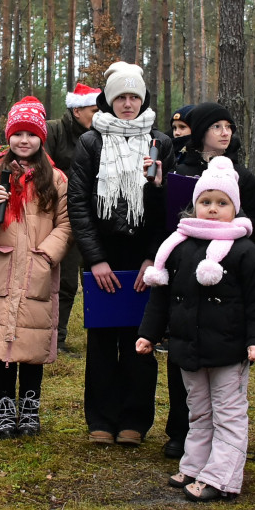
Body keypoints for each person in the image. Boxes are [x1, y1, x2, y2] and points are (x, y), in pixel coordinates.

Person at [136, 158, 255, 501]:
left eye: (222, 203)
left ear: (235, 207)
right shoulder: (179, 247)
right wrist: (148, 333)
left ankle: (222, 476)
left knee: (228, 413)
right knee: (197, 410)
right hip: (189, 349)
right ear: (194, 204)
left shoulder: (246, 252)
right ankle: (195, 464)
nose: (213, 209)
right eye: (206, 201)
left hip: (229, 350)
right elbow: (161, 297)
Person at [67, 61, 174, 446]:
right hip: (103, 254)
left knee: (140, 339)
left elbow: (170, 209)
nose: (128, 104)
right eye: (121, 98)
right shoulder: (90, 142)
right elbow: (78, 203)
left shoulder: (160, 142)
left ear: (143, 99)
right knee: (101, 340)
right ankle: (100, 419)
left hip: (143, 256)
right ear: (109, 102)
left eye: (134, 97)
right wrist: (95, 259)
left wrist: (152, 258)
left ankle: (134, 420)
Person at [160, 101, 255, 459]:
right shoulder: (180, 169)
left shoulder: (242, 175)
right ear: (201, 131)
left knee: (221, 364)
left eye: (229, 127)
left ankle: (222, 443)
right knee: (183, 355)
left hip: (226, 275)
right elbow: (167, 219)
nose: (225, 133)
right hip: (186, 269)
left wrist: (232, 232)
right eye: (217, 126)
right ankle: (181, 431)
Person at [0, 97, 72, 438]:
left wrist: (46, 256)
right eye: (17, 134)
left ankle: (29, 407)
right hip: (2, 271)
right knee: (1, 343)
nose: (23, 140)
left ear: (41, 138)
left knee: (32, 342)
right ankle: (4, 407)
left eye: (31, 134)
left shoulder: (55, 178)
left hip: (36, 273)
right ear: (8, 136)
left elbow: (66, 225)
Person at [45, 83, 101, 352]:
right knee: (64, 280)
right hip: (61, 217)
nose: (99, 115)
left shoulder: (101, 135)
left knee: (97, 276)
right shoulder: (53, 131)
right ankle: (56, 339)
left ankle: (102, 332)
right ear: (77, 110)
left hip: (93, 217)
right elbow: (43, 168)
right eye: (94, 110)